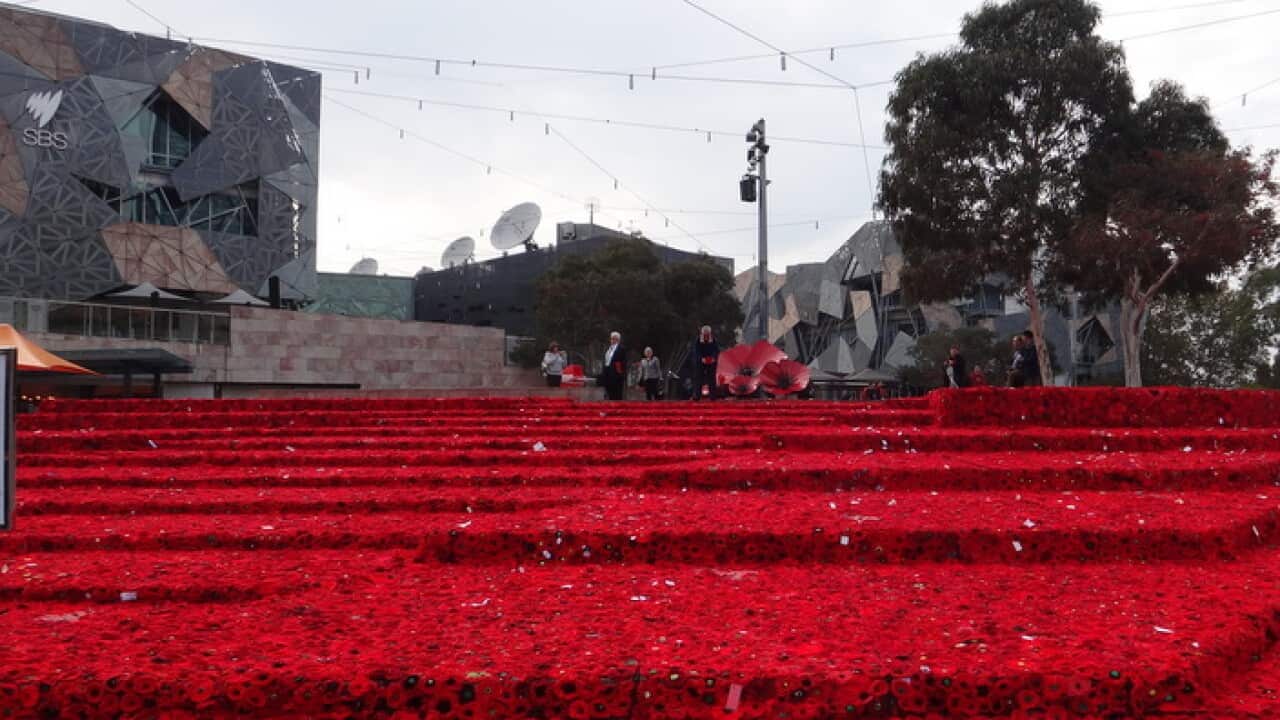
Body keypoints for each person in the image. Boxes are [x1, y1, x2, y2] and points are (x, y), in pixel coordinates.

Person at [693, 325, 720, 400]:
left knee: (711, 378)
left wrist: (713, 358)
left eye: (707, 333)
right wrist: (701, 358)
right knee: (698, 378)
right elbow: (696, 351)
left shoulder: (713, 340)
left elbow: (716, 350)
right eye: (704, 333)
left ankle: (713, 396)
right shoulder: (698, 340)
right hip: (700, 362)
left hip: (711, 362)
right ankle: (697, 396)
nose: (706, 335)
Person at [600, 331, 627, 401]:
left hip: (616, 373)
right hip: (608, 372)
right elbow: (606, 361)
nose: (612, 340)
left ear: (618, 340)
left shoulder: (621, 349)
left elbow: (623, 362)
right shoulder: (608, 349)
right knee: (609, 392)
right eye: (611, 339)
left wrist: (620, 373)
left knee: (616, 393)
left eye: (614, 339)